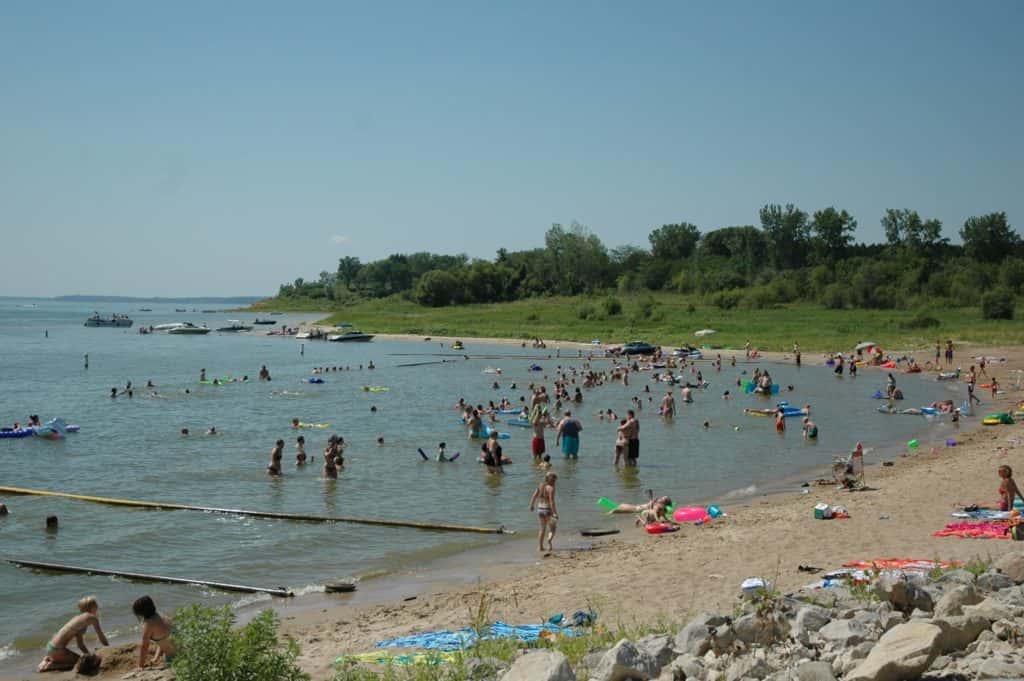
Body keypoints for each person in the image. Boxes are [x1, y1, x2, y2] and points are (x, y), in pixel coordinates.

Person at [37, 596, 109, 672]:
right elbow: (100, 635)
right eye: (96, 606)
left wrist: (89, 655)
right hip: (58, 650)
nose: (97, 607)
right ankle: (51, 666)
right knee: (79, 663)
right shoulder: (92, 617)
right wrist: (107, 647)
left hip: (50, 647)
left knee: (85, 660)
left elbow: (80, 644)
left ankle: (49, 660)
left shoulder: (77, 619)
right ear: (93, 607)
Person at [132, 595, 175, 668]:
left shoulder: (149, 625)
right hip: (183, 649)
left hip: (174, 656)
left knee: (167, 657)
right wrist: (156, 657)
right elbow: (163, 639)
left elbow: (144, 647)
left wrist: (140, 665)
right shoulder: (161, 615)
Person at [528, 472, 558, 554]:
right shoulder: (551, 488)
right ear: (553, 480)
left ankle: (540, 547)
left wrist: (531, 505)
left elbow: (534, 496)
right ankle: (549, 541)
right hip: (548, 510)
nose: (555, 481)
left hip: (540, 509)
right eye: (555, 480)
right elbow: (551, 502)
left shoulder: (541, 485)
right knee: (553, 528)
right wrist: (555, 513)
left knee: (542, 528)